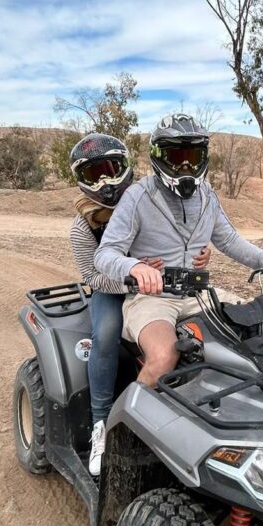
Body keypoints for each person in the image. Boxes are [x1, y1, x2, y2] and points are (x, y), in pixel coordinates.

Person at [94, 113, 263, 391]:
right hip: (152, 299)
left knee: (262, 330)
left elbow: (230, 241)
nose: (186, 165)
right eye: (177, 157)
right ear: (159, 156)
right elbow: (105, 254)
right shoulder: (138, 197)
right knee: (164, 356)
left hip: (198, 294)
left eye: (193, 156)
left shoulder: (207, 196)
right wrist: (134, 268)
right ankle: (126, 428)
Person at [68, 132, 211, 476]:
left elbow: (185, 238)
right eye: (94, 174)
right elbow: (92, 275)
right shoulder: (82, 227)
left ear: (126, 167)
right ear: (81, 181)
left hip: (159, 289)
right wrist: (133, 276)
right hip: (115, 289)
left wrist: (201, 256)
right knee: (106, 332)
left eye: (111, 169)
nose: (105, 181)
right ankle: (103, 423)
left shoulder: (156, 201)